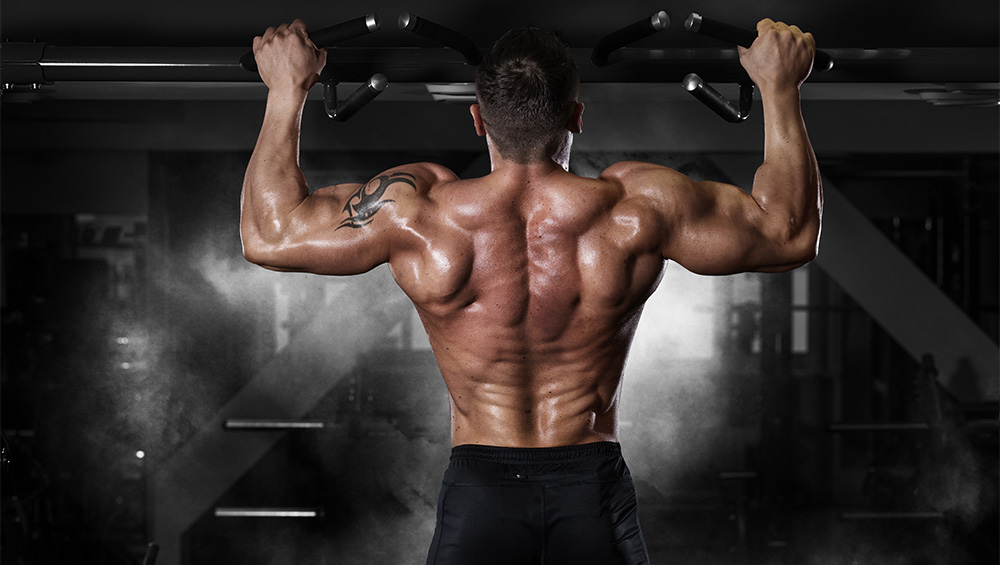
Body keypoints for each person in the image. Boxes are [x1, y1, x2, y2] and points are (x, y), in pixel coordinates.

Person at [242, 17, 821, 565]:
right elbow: (789, 233)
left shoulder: (418, 213)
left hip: (480, 495)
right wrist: (779, 86)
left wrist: (286, 89)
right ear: (577, 115)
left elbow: (269, 235)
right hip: (589, 492)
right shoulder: (636, 211)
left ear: (477, 119)